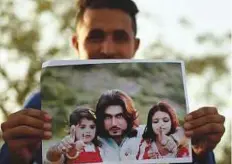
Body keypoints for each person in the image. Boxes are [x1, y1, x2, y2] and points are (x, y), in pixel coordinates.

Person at [0, 0, 225, 163]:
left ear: (135, 45)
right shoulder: (40, 104)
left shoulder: (158, 123)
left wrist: (200, 154)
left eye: (119, 37)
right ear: (76, 43)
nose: (107, 49)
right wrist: (14, 156)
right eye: (95, 36)